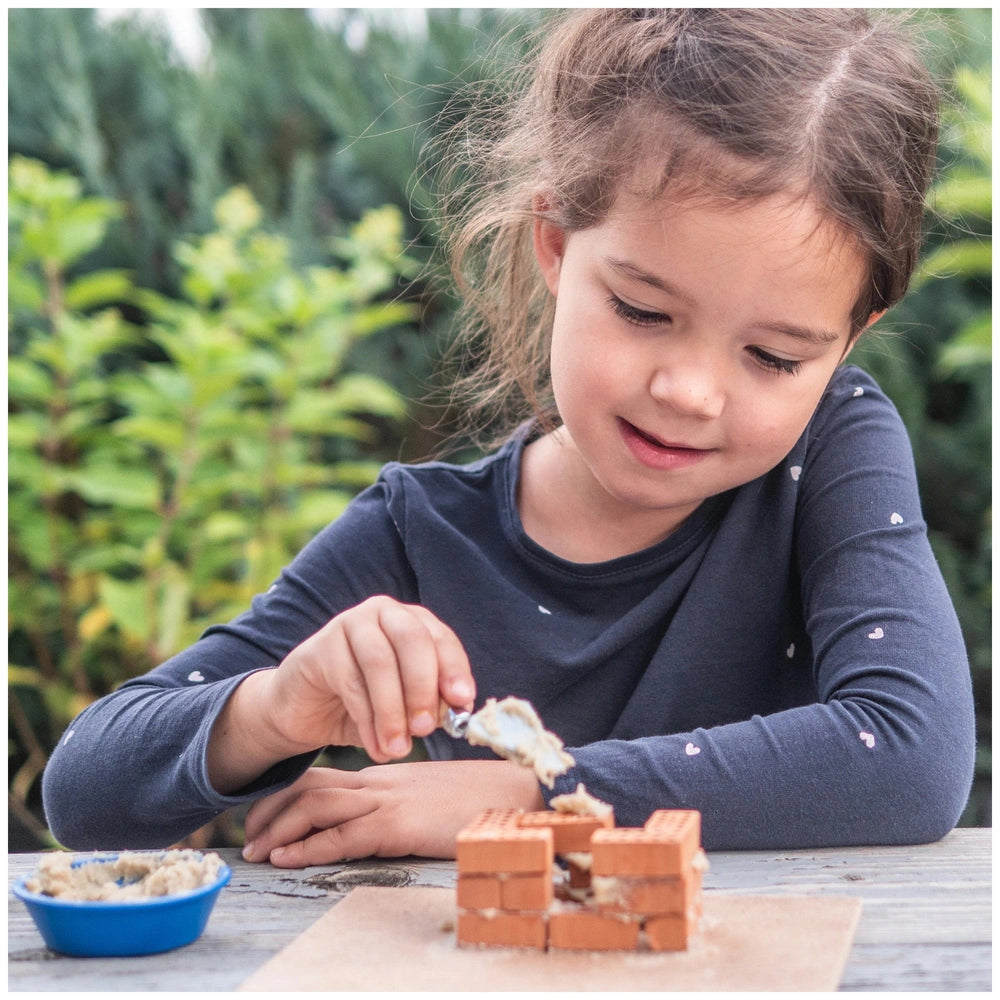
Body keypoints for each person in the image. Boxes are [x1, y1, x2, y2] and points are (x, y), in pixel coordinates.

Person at [42, 8, 975, 866]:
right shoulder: (419, 535)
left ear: (850, 338)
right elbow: (85, 790)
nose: (689, 392)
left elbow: (906, 753)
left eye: (773, 356)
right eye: (644, 311)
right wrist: (278, 705)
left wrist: (536, 792)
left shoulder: (830, 453)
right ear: (556, 246)